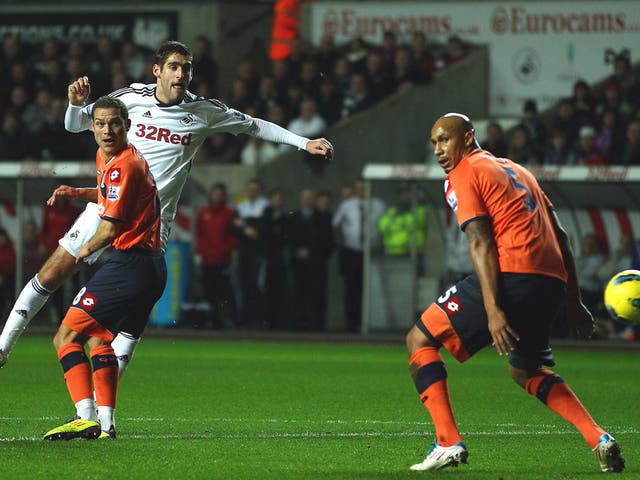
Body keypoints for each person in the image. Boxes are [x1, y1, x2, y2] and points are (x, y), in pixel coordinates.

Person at [0, 40, 334, 370]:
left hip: (151, 226)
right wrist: (75, 104)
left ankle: (102, 411)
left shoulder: (204, 111)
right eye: (174, 67)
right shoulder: (129, 98)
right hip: (106, 207)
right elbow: (75, 125)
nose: (181, 74)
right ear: (157, 71)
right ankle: (3, 348)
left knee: (130, 320)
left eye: (186, 68)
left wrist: (305, 142)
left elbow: (255, 125)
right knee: (50, 274)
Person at [406, 113, 624, 473]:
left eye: (445, 140)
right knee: (525, 369)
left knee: (419, 339)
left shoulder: (465, 172)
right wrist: (573, 300)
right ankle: (598, 437)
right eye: (434, 143)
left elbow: (480, 241)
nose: (439, 150)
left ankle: (447, 442)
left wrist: (493, 309)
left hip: (512, 272)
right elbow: (562, 236)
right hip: (549, 280)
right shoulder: (517, 170)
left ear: (468, 137)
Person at [42, 96, 166, 440]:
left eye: (115, 123)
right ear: (92, 127)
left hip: (131, 265)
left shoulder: (124, 164)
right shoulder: (111, 158)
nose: (107, 130)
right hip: (149, 267)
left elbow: (110, 229)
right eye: (100, 123)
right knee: (99, 341)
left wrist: (82, 250)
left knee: (65, 337)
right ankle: (107, 425)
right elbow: (109, 194)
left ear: (127, 126)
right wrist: (78, 191)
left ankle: (85, 416)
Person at [332, 179, 385, 332]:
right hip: (352, 251)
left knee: (369, 287)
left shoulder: (378, 205)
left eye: (364, 188)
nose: (362, 191)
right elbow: (336, 225)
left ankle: (368, 323)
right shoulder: (347, 205)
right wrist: (341, 245)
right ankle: (351, 324)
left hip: (372, 252)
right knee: (351, 289)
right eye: (359, 188)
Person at [195, 183, 238, 329]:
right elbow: (200, 235)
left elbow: (233, 237)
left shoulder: (230, 213)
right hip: (207, 261)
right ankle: (214, 322)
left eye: (219, 194)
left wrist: (224, 251)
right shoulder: (203, 213)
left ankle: (230, 321)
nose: (217, 197)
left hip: (222, 261)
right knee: (209, 293)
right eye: (215, 194)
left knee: (226, 293)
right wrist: (200, 252)